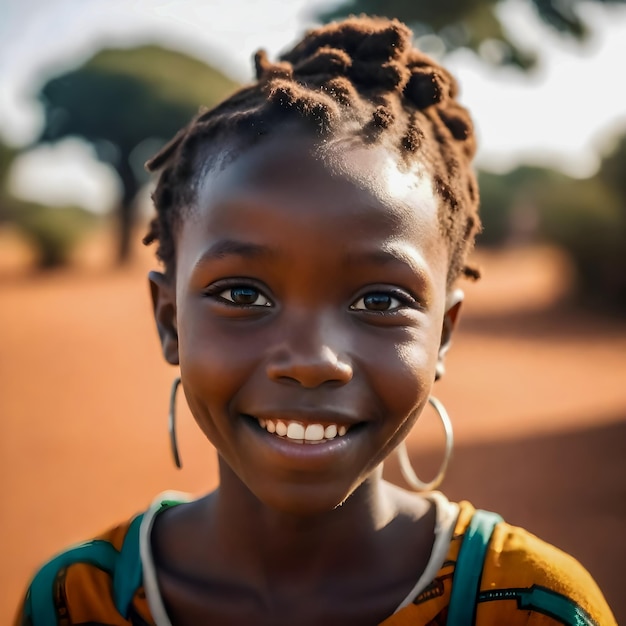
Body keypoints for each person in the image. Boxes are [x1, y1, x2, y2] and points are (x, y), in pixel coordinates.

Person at [15, 16, 616, 626]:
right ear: (169, 320)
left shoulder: (534, 608)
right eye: (243, 294)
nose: (310, 360)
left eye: (380, 302)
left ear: (444, 332)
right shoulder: (74, 604)